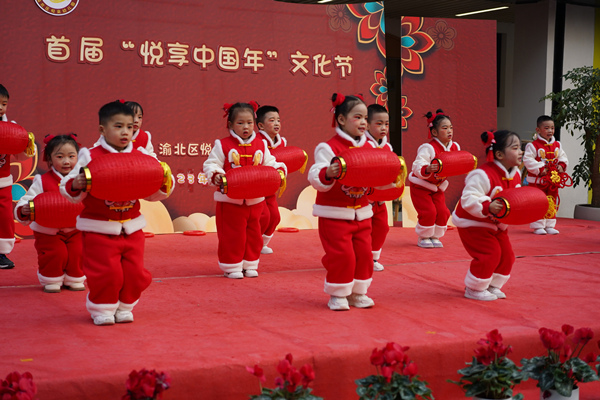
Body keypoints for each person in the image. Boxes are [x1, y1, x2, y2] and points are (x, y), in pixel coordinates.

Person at [60, 100, 173, 325]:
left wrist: (163, 183)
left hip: (132, 227)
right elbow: (66, 187)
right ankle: (102, 308)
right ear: (102, 129)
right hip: (99, 228)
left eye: (130, 127)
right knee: (106, 272)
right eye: (118, 126)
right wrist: (77, 183)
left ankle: (125, 305)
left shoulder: (143, 155)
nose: (125, 132)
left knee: (134, 273)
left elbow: (152, 193)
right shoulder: (89, 155)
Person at [203, 102, 286, 279]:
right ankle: (232, 265)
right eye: (240, 123)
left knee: (253, 234)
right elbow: (211, 164)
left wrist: (278, 171)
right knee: (233, 235)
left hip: (255, 200)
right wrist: (216, 174)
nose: (245, 127)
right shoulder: (222, 145)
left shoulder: (260, 144)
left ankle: (250, 263)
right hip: (230, 201)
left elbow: (270, 163)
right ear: (230, 125)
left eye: (249, 122)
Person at [308, 93, 375, 311]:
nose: (364, 122)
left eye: (366, 118)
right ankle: (338, 293)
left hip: (362, 213)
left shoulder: (371, 147)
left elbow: (379, 177)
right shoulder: (328, 148)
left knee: (365, 255)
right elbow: (315, 175)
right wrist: (328, 172)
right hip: (334, 214)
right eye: (357, 117)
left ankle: (358, 292)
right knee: (342, 255)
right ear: (341, 120)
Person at [452, 130, 523, 301]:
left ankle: (492, 285)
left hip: (498, 225)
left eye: (521, 148)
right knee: (490, 253)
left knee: (507, 255)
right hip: (473, 223)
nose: (521, 151)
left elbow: (517, 199)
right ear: (499, 154)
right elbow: (468, 198)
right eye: (515, 148)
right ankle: (474, 288)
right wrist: (487, 206)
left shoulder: (516, 175)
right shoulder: (481, 174)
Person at [14, 134, 85, 293]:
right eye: (60, 156)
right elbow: (28, 199)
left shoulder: (82, 181)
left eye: (71, 156)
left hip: (75, 229)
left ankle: (74, 277)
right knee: (55, 253)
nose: (66, 161)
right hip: (48, 230)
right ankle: (51, 278)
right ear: (50, 159)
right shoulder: (42, 180)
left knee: (77, 252)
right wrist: (25, 209)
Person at [409, 109, 459, 248]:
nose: (449, 131)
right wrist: (427, 169)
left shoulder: (454, 147)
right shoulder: (428, 148)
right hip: (421, 186)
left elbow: (458, 162)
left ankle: (435, 236)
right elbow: (417, 165)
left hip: (437, 186)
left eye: (451, 128)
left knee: (443, 212)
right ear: (435, 132)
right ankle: (424, 237)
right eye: (445, 128)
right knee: (429, 211)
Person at [0, 84, 36, 269]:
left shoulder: (12, 128)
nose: (0, 107)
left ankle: (1, 253)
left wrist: (26, 145)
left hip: (3, 183)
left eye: (4, 104)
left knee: (4, 218)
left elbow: (20, 156)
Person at [523, 115, 568, 235]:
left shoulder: (557, 145)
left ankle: (549, 224)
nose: (550, 131)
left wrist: (562, 165)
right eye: (546, 128)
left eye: (552, 128)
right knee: (538, 201)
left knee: (552, 200)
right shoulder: (532, 146)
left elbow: (562, 157)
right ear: (538, 130)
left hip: (552, 180)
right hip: (538, 181)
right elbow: (528, 160)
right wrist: (540, 168)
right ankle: (538, 226)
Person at [365, 104, 391, 272]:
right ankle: (362, 257)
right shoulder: (363, 145)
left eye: (387, 124)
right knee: (364, 230)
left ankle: (374, 258)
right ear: (367, 124)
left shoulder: (387, 147)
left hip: (380, 197)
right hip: (364, 198)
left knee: (382, 227)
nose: (384, 128)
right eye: (379, 123)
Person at [257, 105, 286, 255]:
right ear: (260, 125)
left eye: (278, 120)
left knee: (274, 216)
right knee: (263, 216)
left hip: (271, 186)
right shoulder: (256, 142)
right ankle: (252, 242)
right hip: (257, 187)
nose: (276, 123)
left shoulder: (282, 143)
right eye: (272, 120)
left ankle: (262, 243)